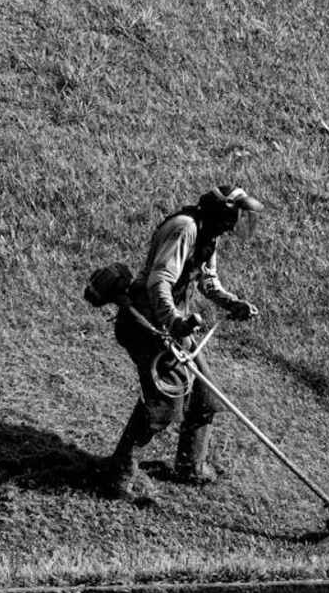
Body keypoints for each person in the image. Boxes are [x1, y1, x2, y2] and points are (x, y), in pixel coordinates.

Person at [105, 185, 263, 497]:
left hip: (173, 324)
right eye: (237, 215)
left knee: (204, 395)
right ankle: (120, 472)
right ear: (224, 212)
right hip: (147, 323)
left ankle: (191, 465)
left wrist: (233, 303)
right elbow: (159, 282)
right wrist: (175, 322)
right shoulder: (184, 229)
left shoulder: (209, 233)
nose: (239, 223)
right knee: (165, 401)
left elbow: (207, 280)